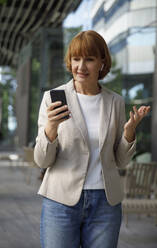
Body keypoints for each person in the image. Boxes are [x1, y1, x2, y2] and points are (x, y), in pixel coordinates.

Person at [34, 30, 150, 248]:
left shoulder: (114, 102)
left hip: (105, 204)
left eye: (89, 59)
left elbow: (121, 161)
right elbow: (42, 161)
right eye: (76, 59)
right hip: (61, 201)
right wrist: (50, 128)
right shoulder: (53, 98)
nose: (80, 66)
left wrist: (129, 133)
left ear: (102, 62)